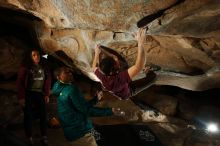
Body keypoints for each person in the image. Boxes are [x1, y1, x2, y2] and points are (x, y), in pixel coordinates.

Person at [51, 67, 123, 146]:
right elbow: (86, 110)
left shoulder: (59, 89)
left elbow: (81, 106)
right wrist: (110, 111)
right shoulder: (71, 89)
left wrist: (95, 100)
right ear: (58, 77)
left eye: (69, 71)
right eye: (66, 72)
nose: (70, 73)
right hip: (81, 131)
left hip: (72, 132)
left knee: (99, 138)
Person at [92, 28, 156, 100]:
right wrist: (140, 43)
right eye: (115, 63)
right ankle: (148, 71)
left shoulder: (102, 75)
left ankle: (104, 50)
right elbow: (139, 66)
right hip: (129, 90)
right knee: (153, 78)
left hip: (118, 82)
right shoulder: (119, 79)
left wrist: (97, 53)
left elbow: (94, 67)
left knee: (119, 60)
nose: (116, 60)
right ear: (113, 71)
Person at [17, 48, 51, 146]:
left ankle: (44, 136)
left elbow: (48, 81)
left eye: (38, 54)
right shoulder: (25, 67)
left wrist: (47, 94)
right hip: (29, 93)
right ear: (30, 57)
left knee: (43, 115)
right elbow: (20, 82)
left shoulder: (44, 67)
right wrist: (21, 97)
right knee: (28, 115)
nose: (36, 57)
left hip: (40, 93)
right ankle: (29, 137)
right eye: (34, 55)